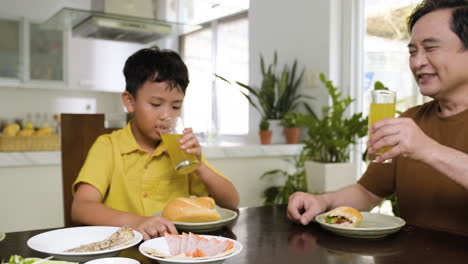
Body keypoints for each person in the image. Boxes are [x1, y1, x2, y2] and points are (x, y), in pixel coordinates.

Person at [288, 0, 468, 236]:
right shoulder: (411, 120)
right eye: (413, 51)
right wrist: (323, 201)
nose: (417, 62)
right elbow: (368, 192)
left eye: (430, 48)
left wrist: (427, 149)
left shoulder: (414, 136)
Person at [71, 47, 239, 240]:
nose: (167, 115)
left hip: (171, 249)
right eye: (156, 105)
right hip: (123, 251)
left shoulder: (180, 149)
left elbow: (231, 203)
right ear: (130, 101)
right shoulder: (109, 146)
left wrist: (199, 166)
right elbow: (81, 207)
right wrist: (137, 222)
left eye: (176, 106)